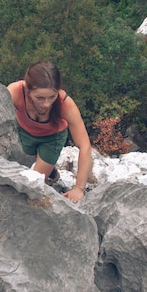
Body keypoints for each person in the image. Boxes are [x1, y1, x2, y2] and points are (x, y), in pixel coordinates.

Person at [7, 61, 92, 202]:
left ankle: (47, 167)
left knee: (32, 185)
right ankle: (51, 170)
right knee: (26, 157)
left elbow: (84, 146)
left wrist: (79, 188)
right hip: (24, 132)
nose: (46, 104)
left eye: (51, 97)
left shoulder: (65, 104)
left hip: (52, 138)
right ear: (27, 90)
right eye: (40, 98)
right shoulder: (15, 92)